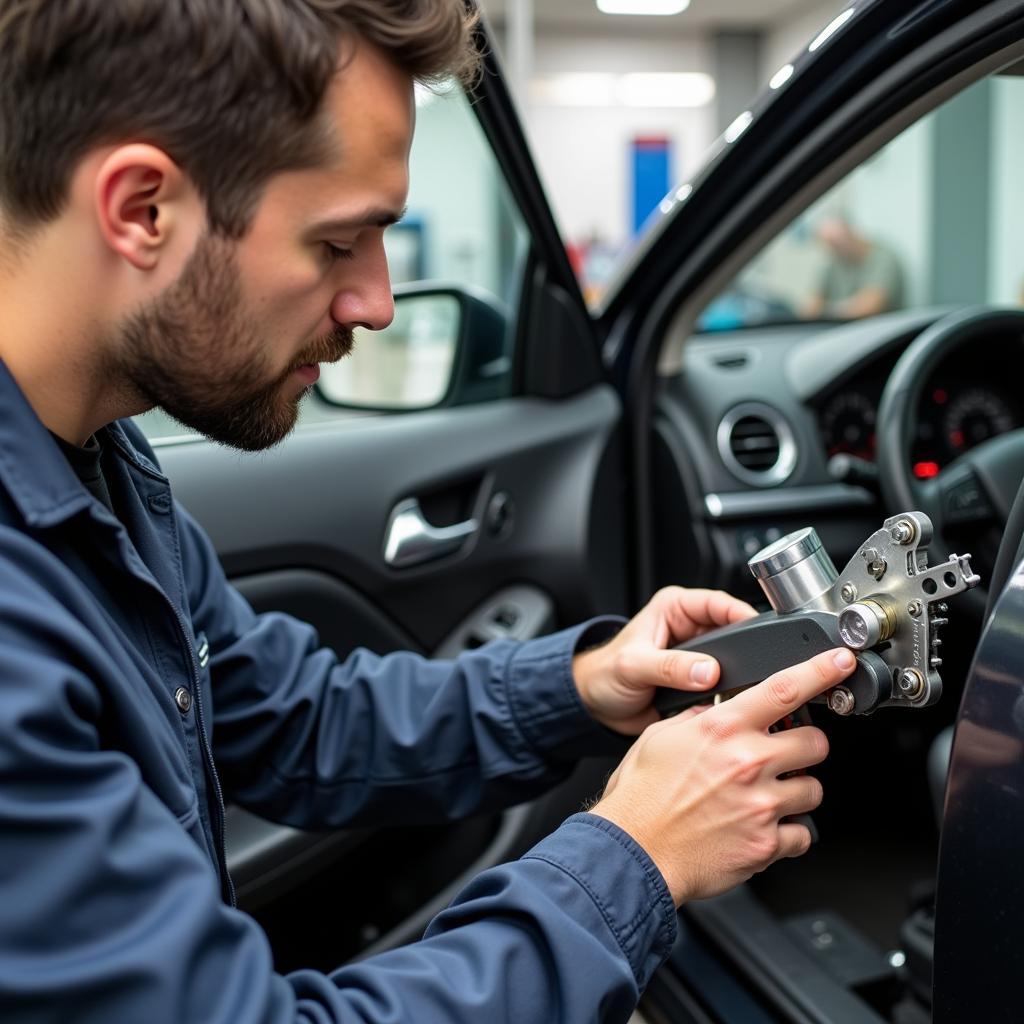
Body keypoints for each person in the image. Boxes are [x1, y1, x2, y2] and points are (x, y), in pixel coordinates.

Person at [0, 2, 858, 1021]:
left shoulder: (94, 453)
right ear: (142, 208)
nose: (377, 301)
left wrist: (583, 684)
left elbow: (287, 719)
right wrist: (638, 855)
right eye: (338, 241)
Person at [804, 215, 905, 320]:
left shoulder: (883, 259)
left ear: (851, 233)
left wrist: (825, 309)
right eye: (829, 245)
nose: (834, 250)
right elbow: (811, 306)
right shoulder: (834, 262)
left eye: (837, 243)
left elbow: (870, 306)